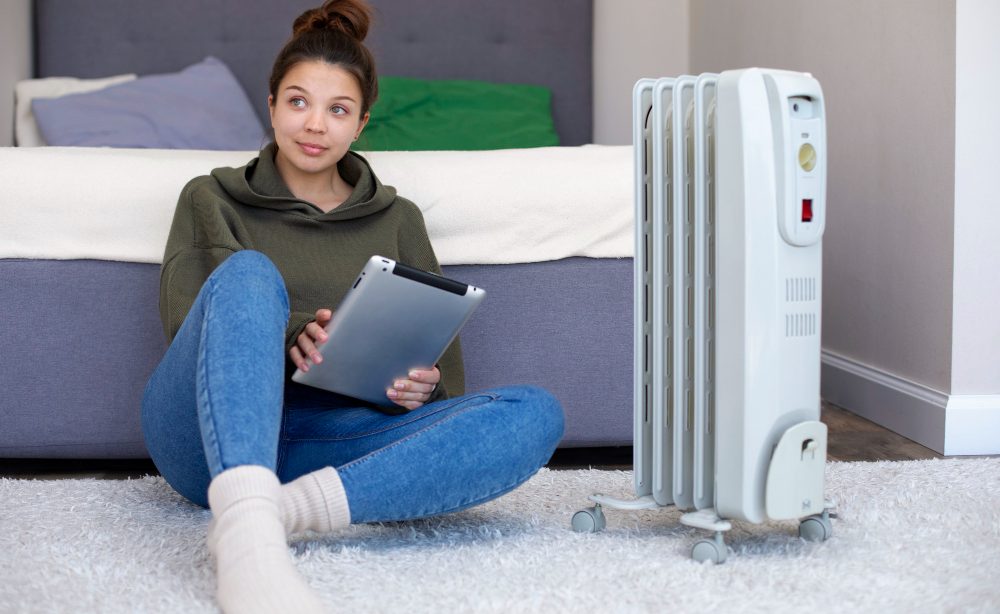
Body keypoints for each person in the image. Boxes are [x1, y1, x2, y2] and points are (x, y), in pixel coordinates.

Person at [139, 1, 565, 612]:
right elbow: (192, 329)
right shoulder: (211, 197)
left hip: (330, 437)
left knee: (535, 413)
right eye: (298, 101)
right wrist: (294, 337)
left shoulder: (399, 219)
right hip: (201, 436)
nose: (315, 125)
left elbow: (445, 375)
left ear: (361, 123)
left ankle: (271, 513)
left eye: (337, 110)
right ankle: (251, 546)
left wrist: (419, 387)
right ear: (271, 106)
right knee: (249, 274)